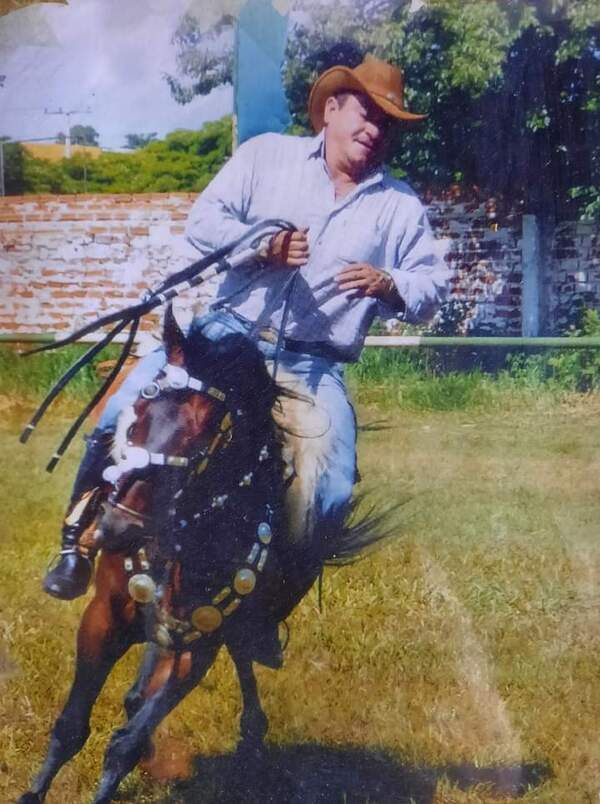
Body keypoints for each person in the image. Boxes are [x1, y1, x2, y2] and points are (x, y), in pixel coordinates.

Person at [43, 55, 451, 617]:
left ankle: (265, 611)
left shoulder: (399, 206)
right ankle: (76, 545)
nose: (374, 131)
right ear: (332, 109)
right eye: (365, 114)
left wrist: (392, 283)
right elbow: (205, 222)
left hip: (311, 366)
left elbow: (433, 286)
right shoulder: (265, 156)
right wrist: (263, 244)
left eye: (388, 124)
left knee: (329, 491)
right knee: (120, 415)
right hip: (222, 339)